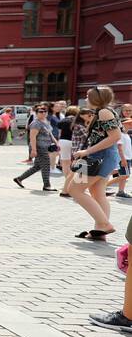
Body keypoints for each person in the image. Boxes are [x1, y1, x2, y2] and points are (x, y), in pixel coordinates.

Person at [69, 87, 122, 241]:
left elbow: (115, 136)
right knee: (97, 192)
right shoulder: (104, 111)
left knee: (75, 189)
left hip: (98, 158)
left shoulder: (104, 112)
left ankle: (104, 224)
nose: (86, 99)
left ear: (96, 98)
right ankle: (100, 230)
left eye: (88, 96)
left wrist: (86, 152)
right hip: (102, 157)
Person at [13, 104, 57, 191]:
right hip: (39, 147)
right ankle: (47, 185)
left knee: (37, 166)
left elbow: (49, 133)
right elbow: (32, 137)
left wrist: (56, 142)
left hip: (46, 146)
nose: (43, 113)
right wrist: (33, 150)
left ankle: (19, 179)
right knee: (46, 165)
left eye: (45, 111)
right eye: (41, 112)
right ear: (36, 113)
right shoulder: (35, 123)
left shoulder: (45, 121)